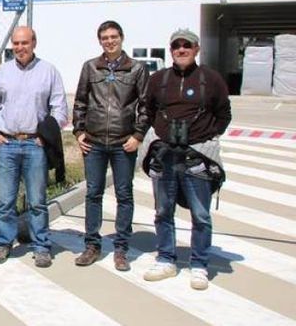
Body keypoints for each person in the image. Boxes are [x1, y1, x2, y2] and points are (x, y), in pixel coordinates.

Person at [140, 29, 231, 290]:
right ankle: (166, 258)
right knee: (162, 212)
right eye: (176, 46)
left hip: (196, 157)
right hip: (165, 156)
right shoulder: (158, 79)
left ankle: (199, 264)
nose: (181, 50)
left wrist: (206, 136)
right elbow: (147, 110)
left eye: (186, 45)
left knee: (201, 215)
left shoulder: (211, 79)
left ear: (196, 49)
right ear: (170, 50)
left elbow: (224, 114)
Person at [0, 26, 68, 268]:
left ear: (34, 43)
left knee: (37, 201)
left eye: (25, 43)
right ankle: (3, 242)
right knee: (6, 200)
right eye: (16, 43)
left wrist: (47, 136)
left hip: (35, 145)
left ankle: (41, 246)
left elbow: (60, 107)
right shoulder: (3, 71)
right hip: (7, 143)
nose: (20, 48)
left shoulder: (48, 71)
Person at [71, 21, 149, 271]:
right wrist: (79, 131)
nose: (109, 41)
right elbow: (80, 101)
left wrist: (137, 135)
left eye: (114, 36)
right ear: (99, 41)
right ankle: (92, 245)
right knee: (93, 193)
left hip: (123, 142)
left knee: (124, 195)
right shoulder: (91, 67)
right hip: (93, 143)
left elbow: (146, 106)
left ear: (122, 38)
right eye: (105, 37)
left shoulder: (136, 69)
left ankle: (121, 248)